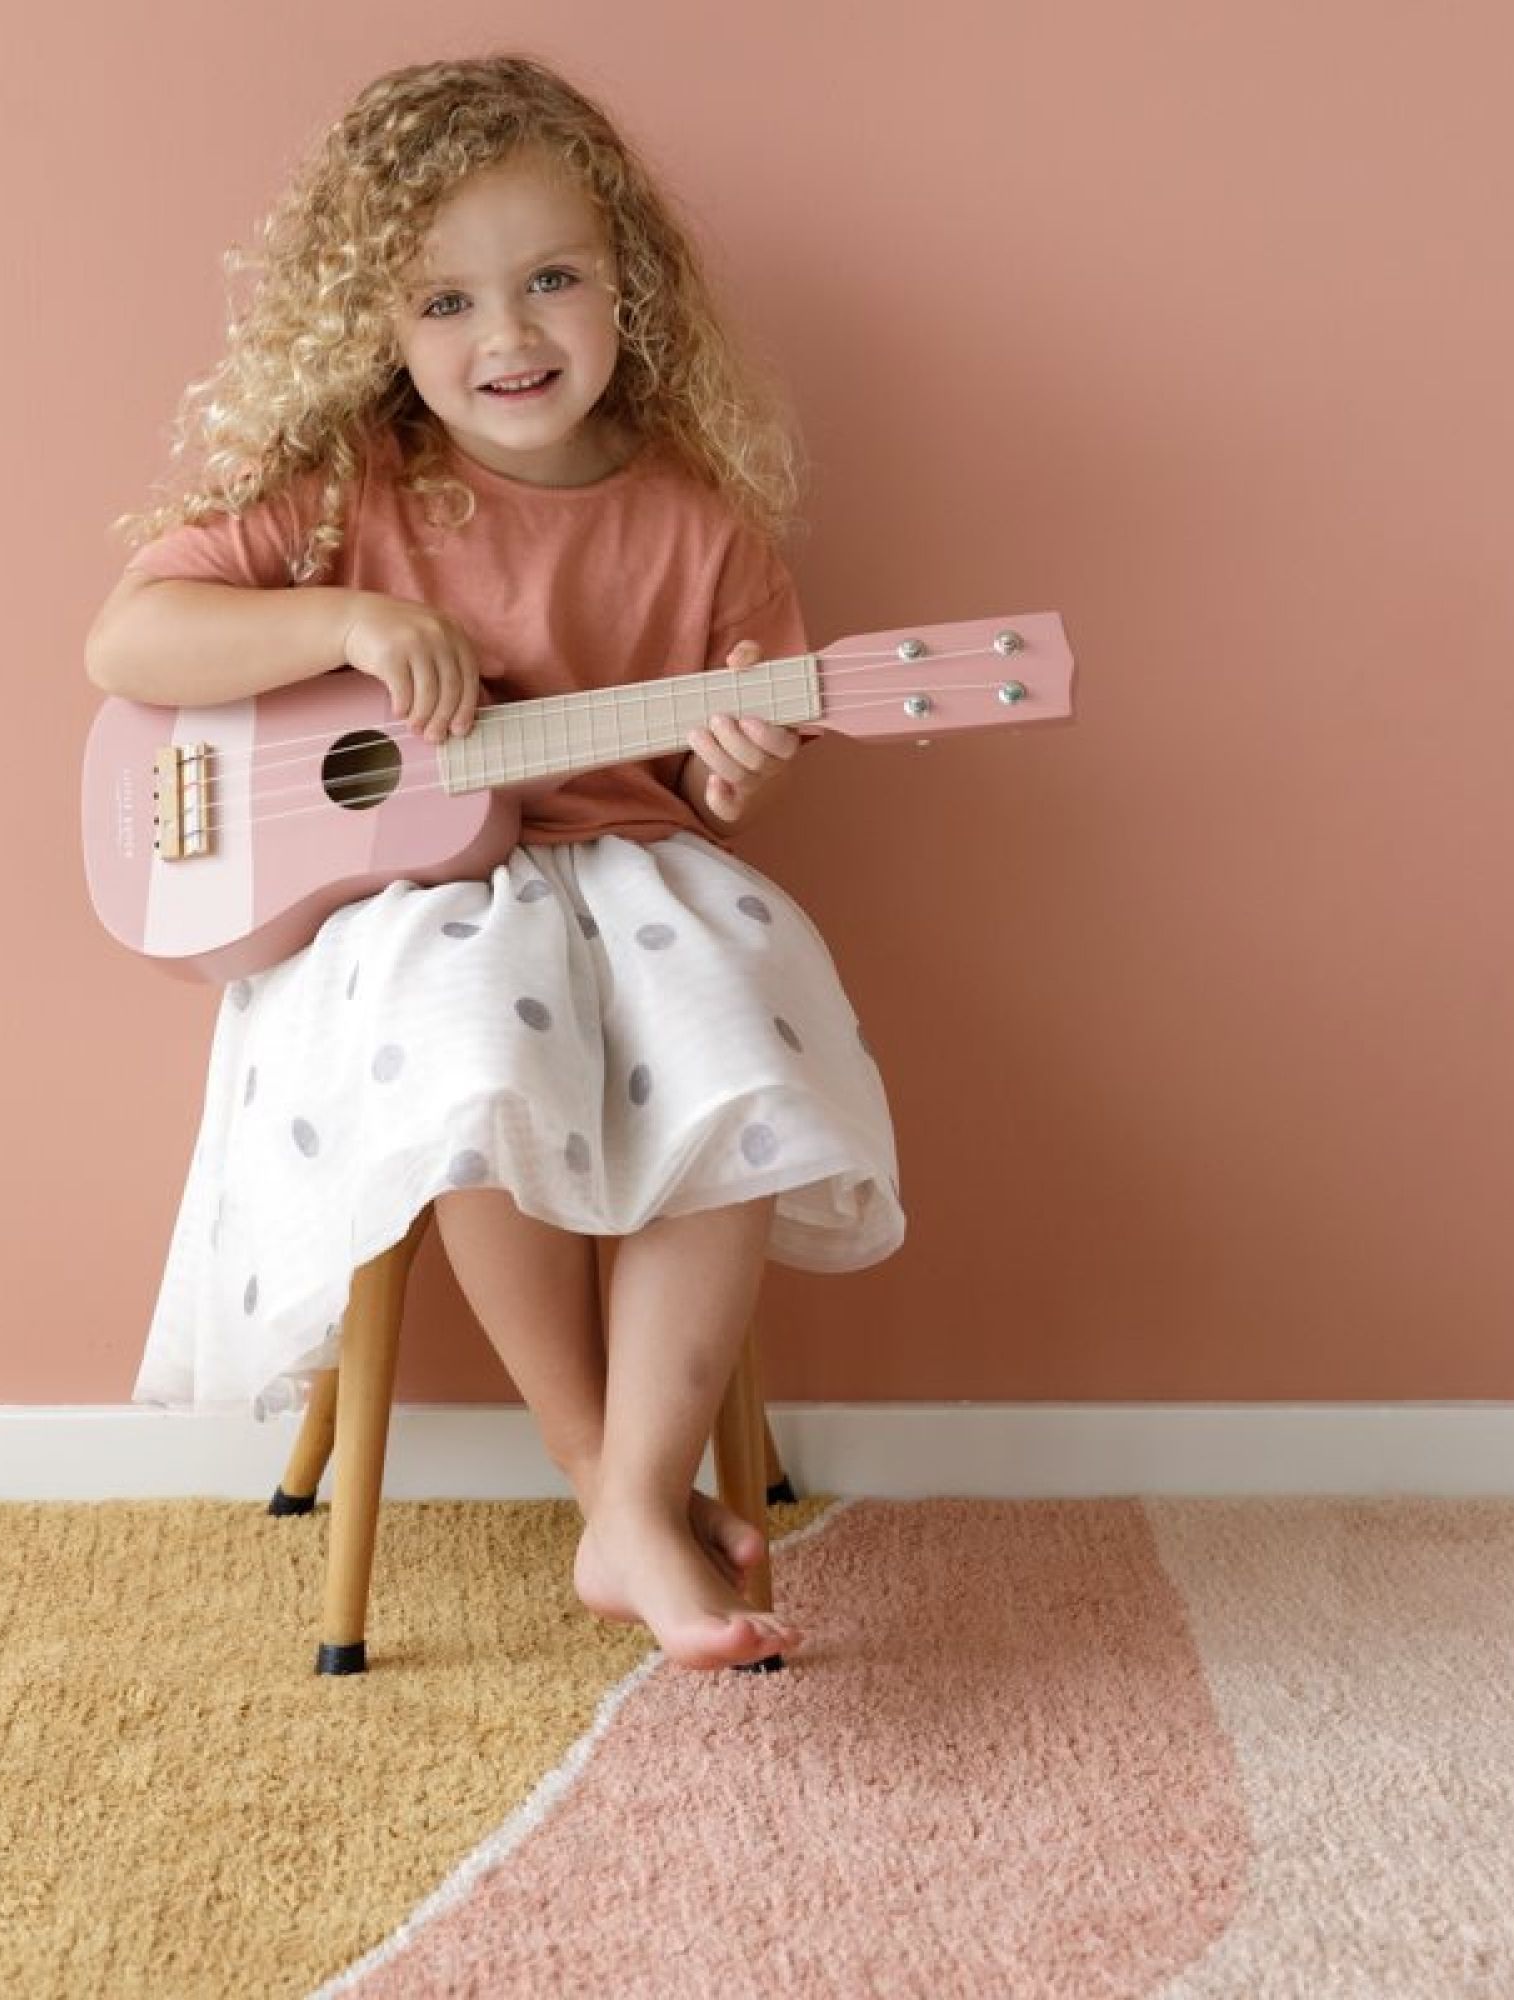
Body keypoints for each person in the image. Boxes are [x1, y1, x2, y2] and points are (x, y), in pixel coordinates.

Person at [85, 55, 904, 1671]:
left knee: (736, 1035)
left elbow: (712, 779)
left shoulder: (701, 530)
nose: (508, 337)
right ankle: (605, 1479)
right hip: (403, 914)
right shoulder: (348, 499)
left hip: (631, 879)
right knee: (466, 1029)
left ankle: (638, 1490)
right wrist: (346, 619)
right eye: (447, 301)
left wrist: (737, 771)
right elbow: (130, 636)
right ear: (377, 328)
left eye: (551, 283)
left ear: (627, 290)